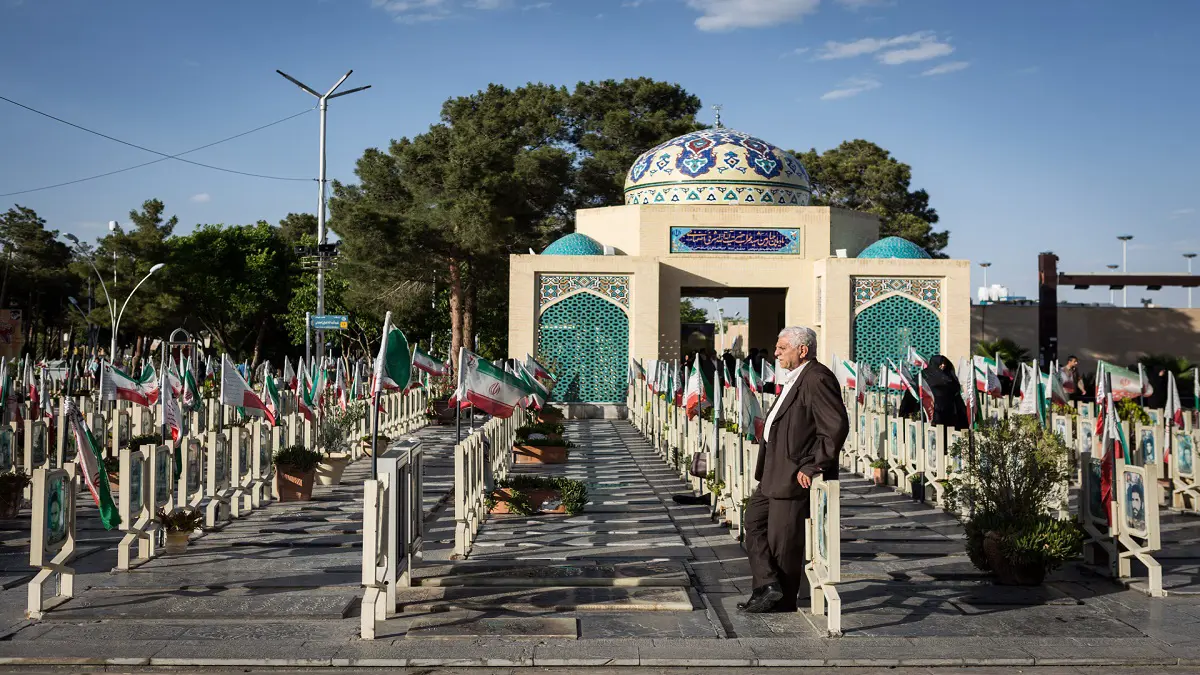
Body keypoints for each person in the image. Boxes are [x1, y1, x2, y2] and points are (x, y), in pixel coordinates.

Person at [738, 327, 849, 614]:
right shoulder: (795, 378)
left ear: (802, 350)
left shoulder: (817, 377)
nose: (775, 353)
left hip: (792, 473)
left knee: (783, 539)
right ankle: (767, 585)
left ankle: (782, 599)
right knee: (753, 521)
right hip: (773, 471)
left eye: (782, 348)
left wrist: (814, 465)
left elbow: (834, 426)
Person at [924, 355, 969, 429]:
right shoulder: (926, 375)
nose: (943, 365)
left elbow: (956, 390)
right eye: (941, 363)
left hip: (951, 412)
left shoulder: (949, 376)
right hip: (934, 411)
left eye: (944, 363)